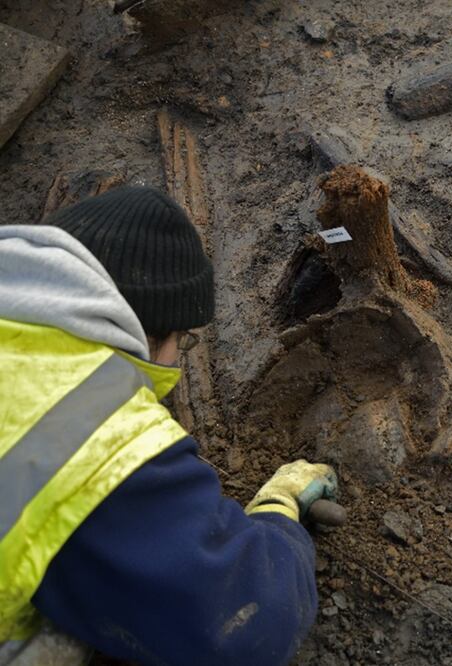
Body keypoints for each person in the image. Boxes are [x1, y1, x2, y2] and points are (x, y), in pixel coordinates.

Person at [0, 186, 338, 665]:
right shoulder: (93, 432)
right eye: (182, 342)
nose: (177, 362)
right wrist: (279, 513)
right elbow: (250, 623)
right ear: (149, 332)